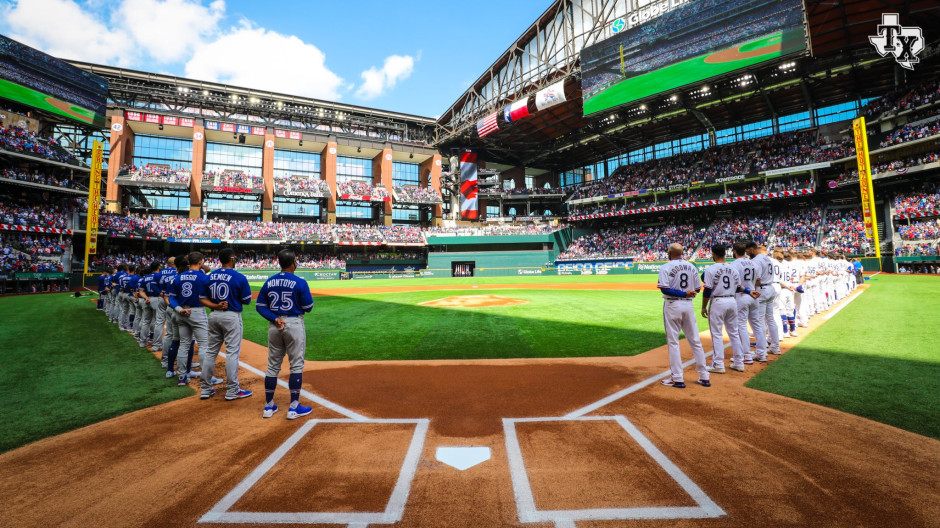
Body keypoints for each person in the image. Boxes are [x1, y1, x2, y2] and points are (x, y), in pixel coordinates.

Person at [256, 249, 315, 417]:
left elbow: (260, 306)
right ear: (293, 263)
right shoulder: (300, 282)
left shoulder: (269, 282)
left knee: (273, 366)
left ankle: (268, 406)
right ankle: (294, 407)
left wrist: (274, 318)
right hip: (293, 323)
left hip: (275, 325)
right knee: (296, 364)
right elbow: (308, 308)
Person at [201, 248, 253, 401]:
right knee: (232, 353)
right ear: (231, 259)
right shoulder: (239, 277)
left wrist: (216, 305)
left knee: (211, 352)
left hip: (214, 315)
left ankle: (205, 389)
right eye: (234, 258)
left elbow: (201, 298)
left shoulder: (209, 276)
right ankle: (232, 390)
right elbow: (247, 300)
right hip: (231, 316)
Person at [656, 243, 710, 388]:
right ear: (682, 252)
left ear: (669, 253)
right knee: (695, 341)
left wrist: (682, 293)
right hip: (688, 306)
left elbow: (664, 289)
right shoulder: (692, 266)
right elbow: (698, 288)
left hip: (673, 305)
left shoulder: (666, 267)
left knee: (673, 342)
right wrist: (686, 293)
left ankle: (678, 378)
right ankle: (704, 376)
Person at [701, 243, 747, 374]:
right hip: (732, 301)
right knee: (734, 332)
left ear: (713, 254)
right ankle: (739, 363)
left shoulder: (711, 269)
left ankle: (718, 364)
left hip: (718, 302)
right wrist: (749, 291)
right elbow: (738, 287)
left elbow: (707, 290)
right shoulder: (733, 269)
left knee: (716, 334)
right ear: (725, 253)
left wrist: (704, 307)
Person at [169, 252, 212, 386]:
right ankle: (207, 379)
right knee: (204, 345)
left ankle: (182, 377)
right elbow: (209, 294)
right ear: (200, 262)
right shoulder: (202, 277)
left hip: (181, 312)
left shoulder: (178, 277)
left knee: (184, 345)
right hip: (197, 311)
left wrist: (179, 309)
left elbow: (171, 298)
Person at [730, 242, 761, 368]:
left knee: (741, 326)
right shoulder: (754, 263)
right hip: (754, 295)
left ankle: (746, 356)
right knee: (757, 325)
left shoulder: (734, 264)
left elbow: (734, 284)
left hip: (742, 296)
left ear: (735, 251)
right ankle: (762, 353)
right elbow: (759, 281)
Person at [748, 242, 778, 357]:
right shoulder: (766, 258)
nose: (747, 253)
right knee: (770, 319)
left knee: (759, 321)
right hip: (770, 288)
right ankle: (775, 347)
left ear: (751, 249)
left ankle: (761, 351)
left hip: (762, 289)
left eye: (747, 251)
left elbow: (758, 280)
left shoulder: (757, 260)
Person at [151, 256, 175, 355]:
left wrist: (160, 292)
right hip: (172, 299)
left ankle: (156, 345)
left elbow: (153, 285)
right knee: (173, 325)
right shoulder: (176, 272)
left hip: (162, 297)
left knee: (159, 321)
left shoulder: (159, 273)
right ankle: (172, 348)